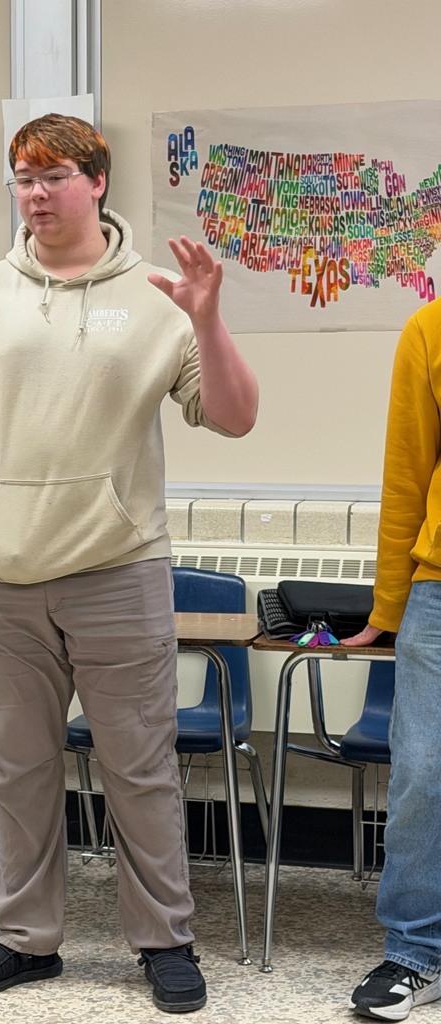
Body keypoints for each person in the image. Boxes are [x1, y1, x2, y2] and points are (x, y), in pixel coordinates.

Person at [0, 113, 258, 1014]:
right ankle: (25, 940)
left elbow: (233, 415)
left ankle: (164, 940)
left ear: (97, 180)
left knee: (136, 767)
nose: (35, 191)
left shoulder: (156, 294)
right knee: (19, 769)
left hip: (120, 569)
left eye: (54, 174)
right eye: (21, 176)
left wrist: (209, 320)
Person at [342, 298, 441, 1021]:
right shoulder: (429, 328)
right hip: (439, 591)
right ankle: (414, 951)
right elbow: (406, 471)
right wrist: (387, 607)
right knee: (423, 773)